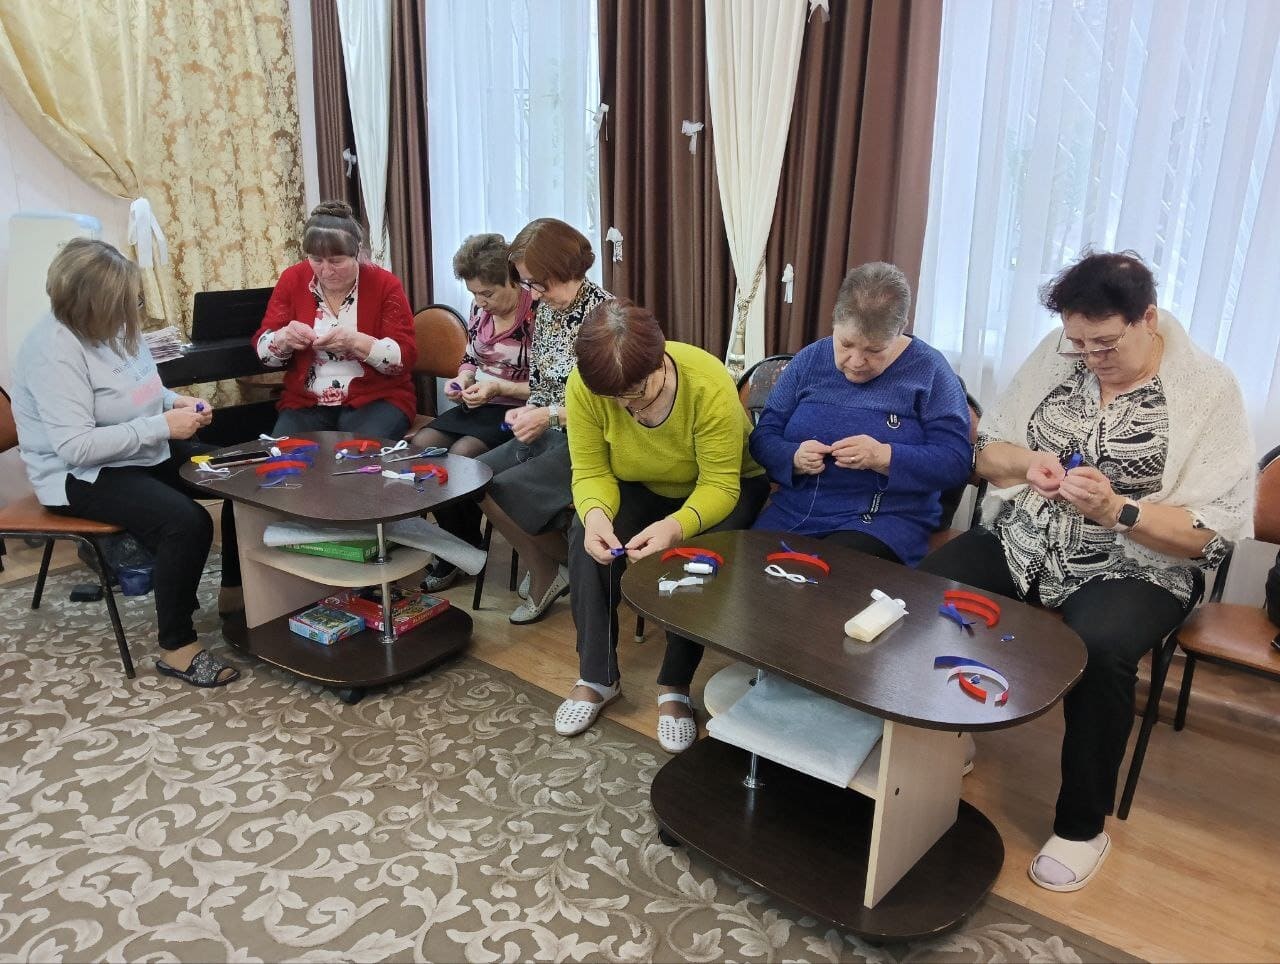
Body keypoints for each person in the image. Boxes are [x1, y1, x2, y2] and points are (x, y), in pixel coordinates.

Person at [918, 250, 1255, 892]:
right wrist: (1029, 463)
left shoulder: (1207, 390)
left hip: (1139, 563)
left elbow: (1205, 531)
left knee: (1099, 647)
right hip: (1027, 538)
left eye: (1105, 343)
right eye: (1078, 342)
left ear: (1147, 319)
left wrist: (1118, 510)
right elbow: (986, 454)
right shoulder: (1058, 355)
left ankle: (1081, 826)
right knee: (933, 589)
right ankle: (945, 734)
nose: (1089, 356)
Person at [9, 239, 243, 687]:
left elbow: (143, 389)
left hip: (135, 451)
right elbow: (75, 448)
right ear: (91, 306)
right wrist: (162, 426)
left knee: (235, 475)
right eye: (125, 303)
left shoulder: (115, 326)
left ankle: (234, 594)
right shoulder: (52, 351)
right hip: (77, 475)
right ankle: (176, 647)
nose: (133, 310)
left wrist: (177, 402)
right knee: (185, 522)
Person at [558, 299, 770, 752]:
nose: (627, 406)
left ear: (660, 363)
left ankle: (675, 687)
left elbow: (720, 484)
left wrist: (675, 527)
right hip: (640, 480)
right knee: (583, 537)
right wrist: (595, 515)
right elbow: (591, 471)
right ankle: (597, 677)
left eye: (637, 392)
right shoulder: (585, 386)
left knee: (698, 556)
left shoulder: (706, 381)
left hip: (722, 486)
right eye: (614, 398)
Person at [749, 262, 972, 566]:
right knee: (747, 569)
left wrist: (883, 456)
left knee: (829, 576)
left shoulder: (930, 371)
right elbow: (763, 437)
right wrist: (793, 457)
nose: (856, 361)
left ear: (900, 329)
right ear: (835, 320)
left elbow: (956, 461)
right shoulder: (809, 361)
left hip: (884, 520)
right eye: (846, 344)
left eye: (874, 350)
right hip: (796, 510)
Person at [473, 217, 611, 624]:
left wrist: (548, 414)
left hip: (590, 437)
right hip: (550, 428)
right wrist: (529, 408)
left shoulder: (605, 317)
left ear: (564, 269)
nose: (533, 294)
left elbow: (613, 409)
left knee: (503, 488)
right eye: (528, 284)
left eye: (538, 283)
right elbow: (543, 383)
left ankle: (557, 569)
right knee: (475, 477)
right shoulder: (549, 310)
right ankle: (549, 567)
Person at [413, 233, 534, 591]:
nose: (480, 302)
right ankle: (461, 542)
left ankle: (459, 551)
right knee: (422, 447)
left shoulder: (537, 312)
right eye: (474, 294)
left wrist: (498, 388)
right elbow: (469, 358)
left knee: (462, 454)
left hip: (521, 410)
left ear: (512, 280)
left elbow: (548, 384)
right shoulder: (480, 309)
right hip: (482, 401)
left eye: (487, 293)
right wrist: (462, 380)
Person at [254, 201, 417, 439]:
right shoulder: (293, 279)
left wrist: (356, 342)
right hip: (307, 401)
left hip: (377, 398)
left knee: (358, 453)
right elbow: (264, 355)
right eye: (316, 260)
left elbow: (405, 358)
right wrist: (283, 339)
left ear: (357, 251)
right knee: (287, 454)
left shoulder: (384, 284)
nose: (326, 270)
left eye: (336, 261)